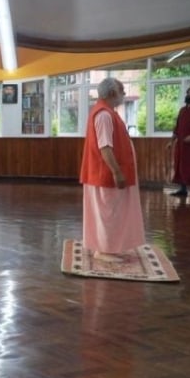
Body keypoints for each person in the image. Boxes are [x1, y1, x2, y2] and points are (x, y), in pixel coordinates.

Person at [80, 77, 146, 261]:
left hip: (108, 171)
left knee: (113, 213)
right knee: (108, 213)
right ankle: (104, 251)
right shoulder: (103, 115)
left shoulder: (109, 112)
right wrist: (117, 172)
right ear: (111, 93)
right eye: (122, 91)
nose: (124, 95)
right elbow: (105, 147)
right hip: (105, 173)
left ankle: (111, 247)